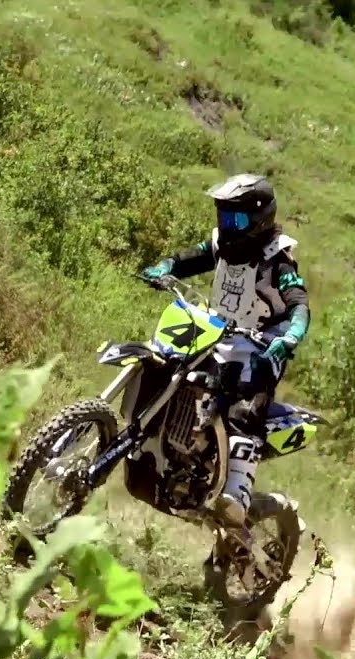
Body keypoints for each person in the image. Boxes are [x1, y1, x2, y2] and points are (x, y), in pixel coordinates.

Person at [138, 173, 310, 540]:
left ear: (260, 218)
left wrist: (291, 335)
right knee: (168, 363)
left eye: (237, 219)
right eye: (224, 217)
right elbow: (194, 258)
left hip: (261, 344)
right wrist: (168, 265)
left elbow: (299, 304)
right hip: (217, 331)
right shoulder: (223, 244)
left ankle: (237, 494)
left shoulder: (277, 259)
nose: (227, 225)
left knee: (242, 405)